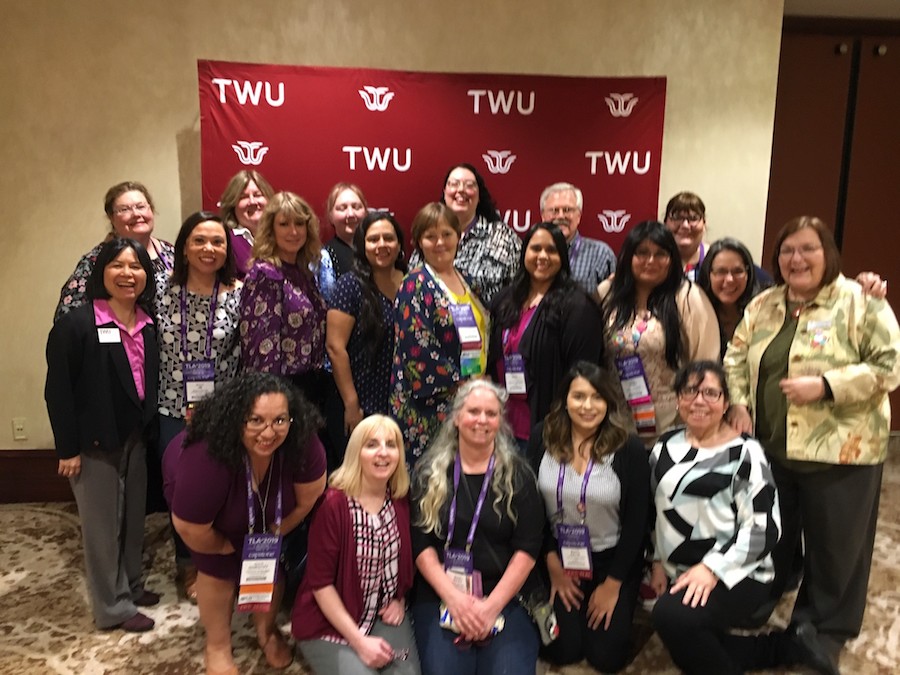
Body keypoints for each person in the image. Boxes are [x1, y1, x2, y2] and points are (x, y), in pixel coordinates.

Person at [725, 216, 900, 671]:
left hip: (841, 451)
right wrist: (740, 404)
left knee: (835, 547)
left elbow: (888, 367)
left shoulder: (862, 300)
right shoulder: (764, 304)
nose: (796, 259)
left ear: (828, 254)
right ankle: (765, 595)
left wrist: (825, 384)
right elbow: (736, 357)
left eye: (808, 249)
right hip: (773, 447)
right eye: (787, 251)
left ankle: (823, 628)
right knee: (775, 534)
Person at [166, 371, 327, 675]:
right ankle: (217, 645)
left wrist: (270, 538)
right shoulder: (205, 457)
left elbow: (308, 500)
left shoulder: (303, 442)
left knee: (269, 562)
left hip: (270, 516)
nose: (269, 432)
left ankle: (266, 632)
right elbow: (191, 528)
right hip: (207, 518)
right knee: (217, 569)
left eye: (280, 420)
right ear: (237, 419)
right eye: (256, 420)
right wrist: (226, 545)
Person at [45, 238, 160, 632]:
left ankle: (130, 584)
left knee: (131, 522)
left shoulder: (148, 323)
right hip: (93, 442)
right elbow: (57, 391)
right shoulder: (76, 325)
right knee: (101, 527)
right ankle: (112, 608)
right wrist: (67, 449)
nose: (128, 274)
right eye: (118, 266)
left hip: (134, 437)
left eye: (136, 266)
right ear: (101, 273)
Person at [649, 360, 782, 674]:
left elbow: (764, 529)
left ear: (725, 403)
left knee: (670, 618)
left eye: (710, 392)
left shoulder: (746, 453)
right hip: (680, 570)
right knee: (686, 642)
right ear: (679, 399)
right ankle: (785, 646)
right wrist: (656, 560)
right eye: (690, 391)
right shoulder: (663, 447)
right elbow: (657, 512)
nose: (698, 400)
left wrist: (712, 569)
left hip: (738, 571)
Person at [410, 380, 544, 675]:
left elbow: (528, 547)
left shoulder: (519, 476)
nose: (482, 420)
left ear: (500, 421)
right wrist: (456, 600)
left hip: (505, 594)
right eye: (473, 411)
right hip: (442, 593)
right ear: (456, 418)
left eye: (491, 413)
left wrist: (490, 607)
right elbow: (422, 547)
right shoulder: (428, 473)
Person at [528, 362, 649, 673]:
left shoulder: (628, 448)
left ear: (608, 402)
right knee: (562, 649)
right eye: (578, 396)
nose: (587, 406)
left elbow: (637, 524)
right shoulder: (542, 437)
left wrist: (612, 585)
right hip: (559, 556)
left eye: (597, 397)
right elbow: (532, 509)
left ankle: (619, 607)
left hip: (613, 559)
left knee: (606, 658)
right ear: (564, 400)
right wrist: (551, 563)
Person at [156, 211, 242, 601]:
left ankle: (220, 561)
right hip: (174, 408)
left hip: (223, 411)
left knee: (221, 487)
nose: (209, 249)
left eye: (218, 242)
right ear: (185, 248)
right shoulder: (159, 292)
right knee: (179, 489)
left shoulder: (238, 295)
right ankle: (188, 564)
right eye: (200, 241)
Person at [293, 415, 421, 674]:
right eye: (372, 444)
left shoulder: (400, 499)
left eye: (391, 444)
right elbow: (320, 584)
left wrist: (399, 598)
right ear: (356, 453)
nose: (383, 452)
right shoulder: (333, 505)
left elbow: (408, 557)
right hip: (329, 622)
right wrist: (360, 642)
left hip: (381, 613)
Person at [598, 220, 720, 448]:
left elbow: (705, 363)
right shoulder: (607, 294)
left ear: (672, 258)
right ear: (628, 256)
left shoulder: (688, 298)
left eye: (660, 254)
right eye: (642, 253)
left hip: (669, 429)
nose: (650, 261)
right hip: (613, 427)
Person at [488, 223, 604, 450]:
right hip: (501, 422)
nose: (543, 256)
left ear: (562, 256)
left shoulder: (578, 307)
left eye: (551, 250)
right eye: (536, 248)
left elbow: (584, 373)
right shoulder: (505, 300)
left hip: (548, 426)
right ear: (524, 253)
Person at [391, 202, 489, 465]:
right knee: (433, 482)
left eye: (447, 234)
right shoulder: (414, 284)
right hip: (431, 408)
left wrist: (479, 380)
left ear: (458, 236)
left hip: (470, 397)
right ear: (419, 242)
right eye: (430, 236)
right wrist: (460, 383)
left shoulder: (468, 279)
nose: (440, 242)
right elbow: (416, 347)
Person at [325, 211, 406, 469]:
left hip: (401, 405)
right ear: (362, 245)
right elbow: (335, 347)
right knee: (358, 477)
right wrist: (352, 404)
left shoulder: (411, 282)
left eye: (388, 238)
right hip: (360, 403)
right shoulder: (350, 285)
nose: (381, 245)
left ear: (399, 244)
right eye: (373, 240)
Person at [239, 192, 327, 410]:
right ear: (271, 229)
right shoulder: (265, 275)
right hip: (281, 389)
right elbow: (261, 347)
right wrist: (272, 400)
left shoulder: (304, 273)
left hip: (310, 385)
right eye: (284, 224)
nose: (294, 231)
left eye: (299, 223)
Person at [55, 181, 174, 321]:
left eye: (141, 207)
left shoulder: (171, 252)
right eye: (124, 209)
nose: (136, 214)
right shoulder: (95, 261)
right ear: (111, 218)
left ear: (151, 210)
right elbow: (67, 316)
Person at [408, 163, 520, 306]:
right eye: (454, 184)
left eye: (469, 185)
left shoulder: (504, 237)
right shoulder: (428, 236)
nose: (461, 190)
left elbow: (519, 289)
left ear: (479, 195)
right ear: (444, 192)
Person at [663, 191, 773, 286]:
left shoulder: (718, 256)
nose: (685, 225)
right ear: (665, 223)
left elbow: (766, 282)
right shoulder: (654, 258)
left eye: (693, 218)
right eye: (677, 217)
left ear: (704, 224)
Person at [539, 182, 615, 293]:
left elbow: (615, 301)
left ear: (578, 216)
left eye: (567, 210)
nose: (560, 216)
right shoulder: (533, 254)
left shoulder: (601, 254)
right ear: (543, 216)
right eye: (554, 211)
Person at [218, 169, 275, 277]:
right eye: (243, 197)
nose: (252, 202)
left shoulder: (283, 238)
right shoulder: (225, 240)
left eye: (258, 195)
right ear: (232, 205)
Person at [318, 182, 368, 301]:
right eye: (342, 208)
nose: (350, 214)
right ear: (330, 216)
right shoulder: (324, 258)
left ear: (366, 212)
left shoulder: (379, 249)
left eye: (356, 207)